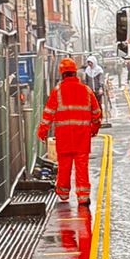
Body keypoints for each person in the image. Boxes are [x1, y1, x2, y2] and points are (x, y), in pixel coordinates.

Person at [39, 55, 103, 206]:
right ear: (75, 73)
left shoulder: (57, 91)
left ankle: (63, 193)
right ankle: (82, 197)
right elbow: (96, 114)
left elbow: (48, 114)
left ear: (62, 74)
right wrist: (94, 129)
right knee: (82, 167)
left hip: (64, 137)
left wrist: (42, 131)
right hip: (82, 137)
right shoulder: (86, 91)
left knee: (64, 166)